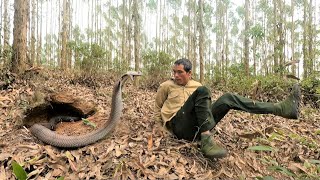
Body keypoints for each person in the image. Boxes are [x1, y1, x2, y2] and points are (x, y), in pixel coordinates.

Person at [154, 58, 300, 159]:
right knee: (203, 91)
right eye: (174, 72)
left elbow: (204, 109)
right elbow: (158, 106)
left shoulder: (196, 86)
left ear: (189, 73)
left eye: (180, 72)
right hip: (178, 125)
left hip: (195, 127)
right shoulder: (167, 85)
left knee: (228, 98)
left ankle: (280, 108)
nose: (176, 75)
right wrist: (159, 127)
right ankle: (206, 138)